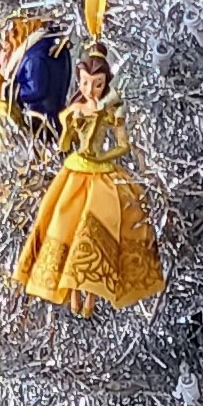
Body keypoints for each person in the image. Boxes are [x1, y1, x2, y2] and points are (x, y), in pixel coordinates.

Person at [14, 46, 164, 314]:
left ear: (105, 83)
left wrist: (103, 155)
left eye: (97, 84)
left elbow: (123, 145)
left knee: (99, 224)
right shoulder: (76, 108)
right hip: (75, 170)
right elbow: (64, 145)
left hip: (101, 172)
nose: (90, 90)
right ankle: (72, 293)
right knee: (66, 222)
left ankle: (93, 295)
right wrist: (70, 126)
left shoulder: (112, 110)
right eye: (84, 83)